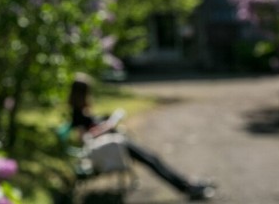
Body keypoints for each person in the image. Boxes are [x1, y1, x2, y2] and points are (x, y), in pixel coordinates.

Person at [68, 75, 215, 201]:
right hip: (113, 145)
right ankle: (187, 187)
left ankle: (188, 184)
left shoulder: (82, 110)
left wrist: (106, 121)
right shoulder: (77, 114)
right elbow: (85, 138)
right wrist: (107, 125)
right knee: (152, 160)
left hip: (116, 142)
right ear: (82, 93)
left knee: (153, 159)